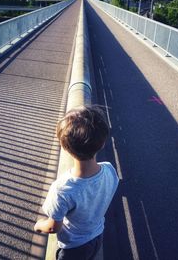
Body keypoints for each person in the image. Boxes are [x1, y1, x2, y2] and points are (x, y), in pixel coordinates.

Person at [34, 105, 119, 260]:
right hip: (97, 235)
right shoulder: (109, 170)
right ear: (102, 143)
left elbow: (53, 226)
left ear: (65, 147)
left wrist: (39, 225)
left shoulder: (62, 189)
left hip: (73, 248)